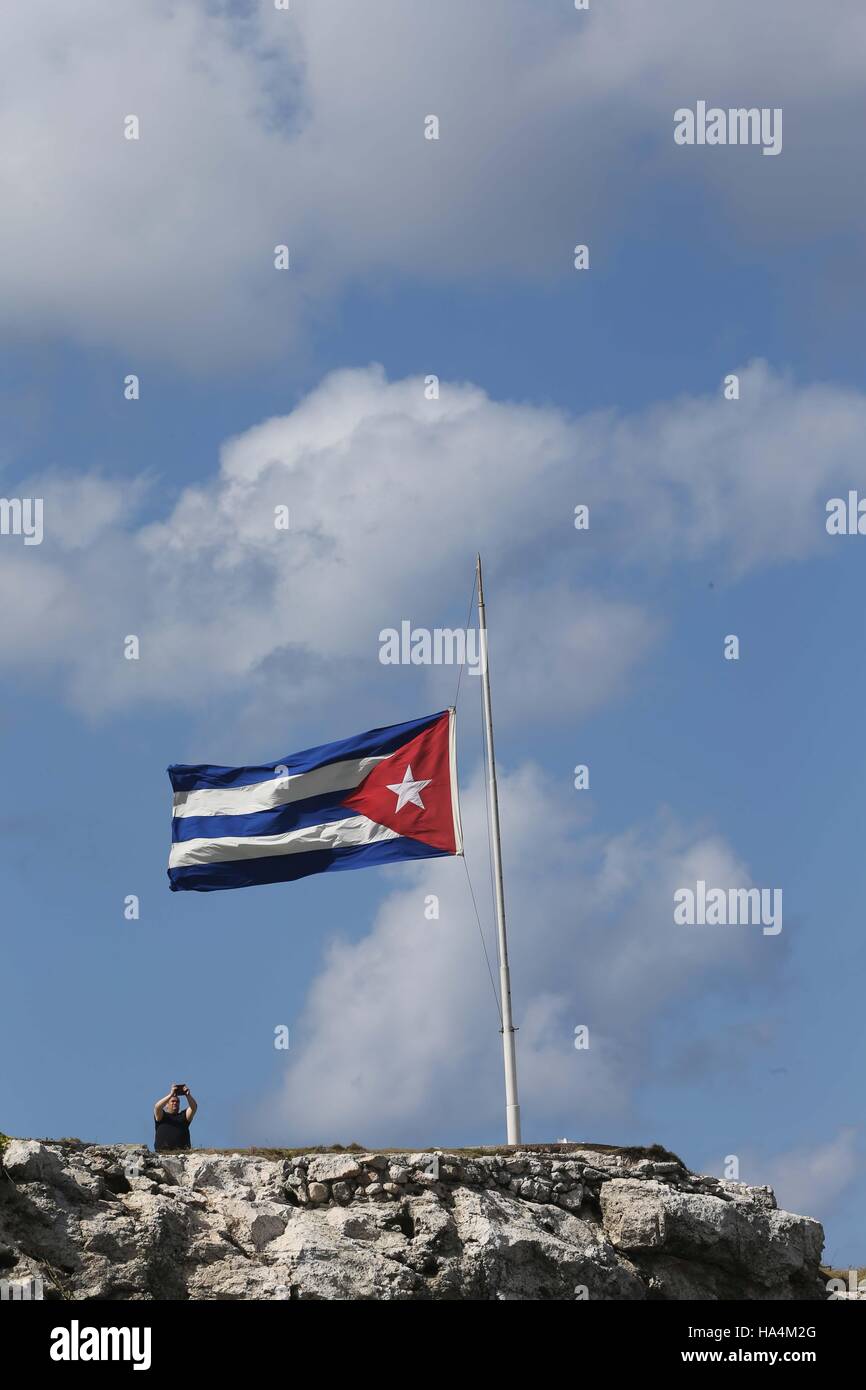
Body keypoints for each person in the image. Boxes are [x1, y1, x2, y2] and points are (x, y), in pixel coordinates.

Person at [153, 1083, 198, 1151]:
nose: (175, 1103)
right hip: (162, 1154)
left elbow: (194, 1108)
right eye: (172, 1101)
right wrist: (171, 1094)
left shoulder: (183, 1116)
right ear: (166, 1105)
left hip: (182, 1155)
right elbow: (157, 1107)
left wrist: (187, 1095)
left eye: (177, 1102)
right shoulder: (162, 1116)